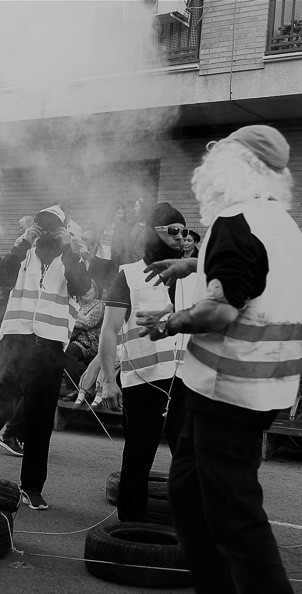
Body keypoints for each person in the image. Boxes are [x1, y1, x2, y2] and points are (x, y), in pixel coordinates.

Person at [137, 126, 302, 594]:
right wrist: (191, 264)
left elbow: (221, 309)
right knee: (189, 499)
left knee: (235, 518)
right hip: (254, 389)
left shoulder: (235, 224)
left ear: (232, 170)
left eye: (215, 162)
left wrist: (170, 320)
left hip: (228, 392)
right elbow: (250, 274)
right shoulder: (279, 225)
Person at [0, 205, 91, 509]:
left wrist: (70, 248)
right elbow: (2, 280)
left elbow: (82, 287)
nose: (46, 232)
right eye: (42, 226)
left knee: (40, 421)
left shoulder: (71, 259)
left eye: (53, 227)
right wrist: (21, 242)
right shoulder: (23, 254)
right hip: (15, 342)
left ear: (64, 229)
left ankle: (32, 487)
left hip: (48, 349)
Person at [99, 203, 198, 522]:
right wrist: (107, 378)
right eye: (174, 230)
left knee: (189, 459)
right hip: (143, 382)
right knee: (138, 459)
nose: (182, 237)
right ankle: (129, 526)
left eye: (185, 231)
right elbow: (109, 331)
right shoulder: (129, 275)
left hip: (185, 383)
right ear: (153, 233)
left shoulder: (194, 276)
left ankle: (189, 527)